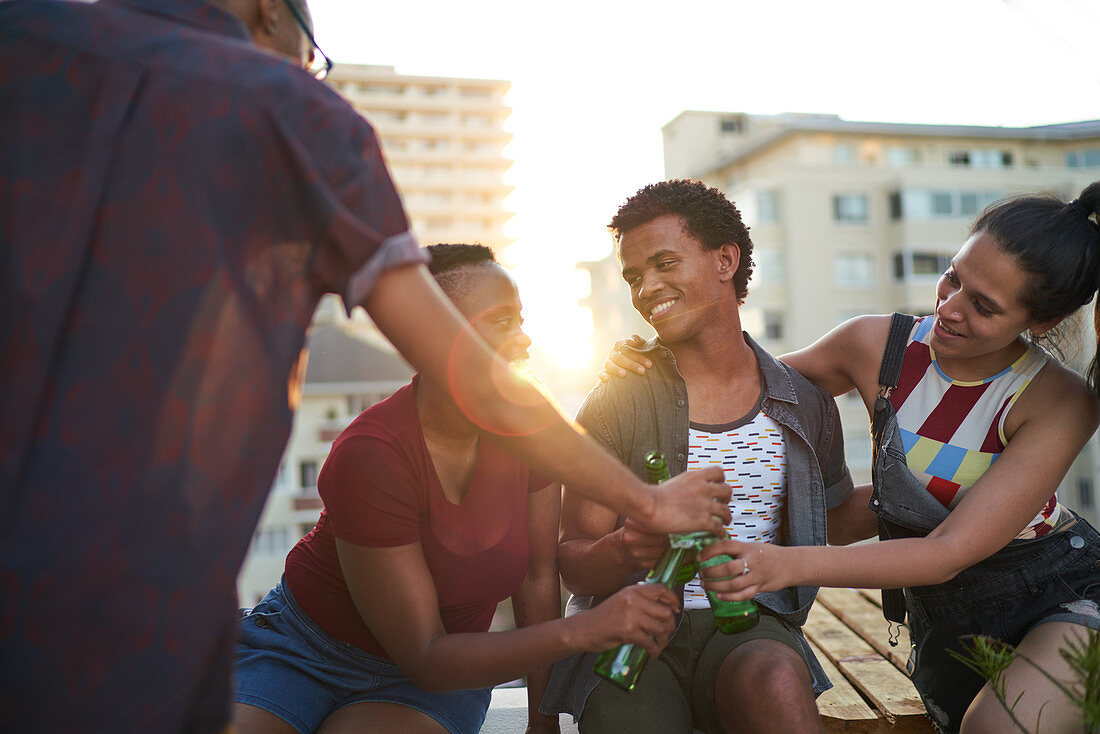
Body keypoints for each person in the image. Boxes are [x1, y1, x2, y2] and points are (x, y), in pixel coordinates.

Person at [0, 3, 730, 732]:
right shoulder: (291, 112)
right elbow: (479, 385)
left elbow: (535, 568)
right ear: (266, 11)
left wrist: (542, 719)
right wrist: (651, 504)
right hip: (175, 607)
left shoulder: (22, 39)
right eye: (311, 53)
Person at [606, 182, 1100, 734]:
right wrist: (652, 359)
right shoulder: (877, 346)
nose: (949, 309)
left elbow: (946, 552)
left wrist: (780, 564)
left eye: (983, 306)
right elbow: (740, 378)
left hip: (1060, 598)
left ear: (1043, 322)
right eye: (953, 277)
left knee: (997, 728)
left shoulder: (1059, 400)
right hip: (949, 623)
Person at [233, 245, 683, 734]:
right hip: (304, 651)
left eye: (521, 319)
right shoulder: (372, 452)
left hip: (440, 677)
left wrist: (542, 722)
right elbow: (425, 652)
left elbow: (536, 575)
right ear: (437, 337)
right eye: (502, 321)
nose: (525, 338)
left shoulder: (530, 428)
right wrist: (589, 628)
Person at [539, 180, 859, 734]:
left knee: (777, 682)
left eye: (665, 263)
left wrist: (944, 497)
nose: (647, 289)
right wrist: (630, 544)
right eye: (635, 276)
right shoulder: (618, 399)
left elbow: (831, 519)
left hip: (750, 626)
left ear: (725, 260)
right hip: (632, 630)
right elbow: (572, 560)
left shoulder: (802, 402)